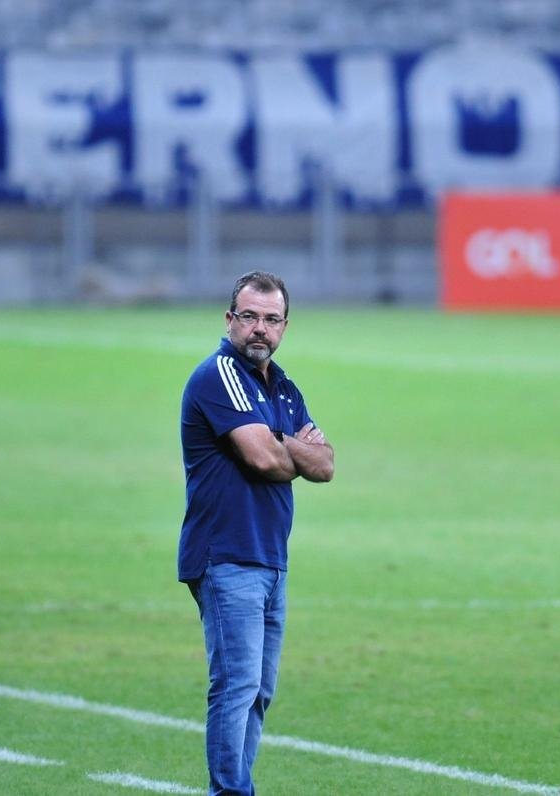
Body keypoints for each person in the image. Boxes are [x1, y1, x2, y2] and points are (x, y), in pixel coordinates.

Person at [178, 270, 335, 795]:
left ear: (285, 326)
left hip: (269, 557)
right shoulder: (219, 374)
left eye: (271, 319)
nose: (259, 329)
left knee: (259, 690)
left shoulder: (283, 387)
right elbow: (264, 459)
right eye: (249, 317)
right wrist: (290, 444)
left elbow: (325, 466)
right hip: (226, 554)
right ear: (229, 320)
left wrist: (278, 440)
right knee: (237, 686)